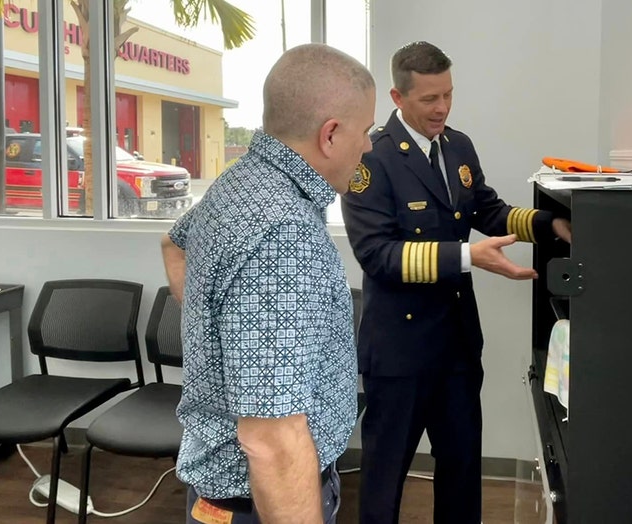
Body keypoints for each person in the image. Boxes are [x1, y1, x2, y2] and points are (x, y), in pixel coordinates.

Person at [341, 41, 572, 524]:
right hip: (400, 350)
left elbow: (487, 209)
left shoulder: (458, 145)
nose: (442, 107)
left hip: (457, 345)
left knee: (463, 472)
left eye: (448, 94)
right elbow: (378, 256)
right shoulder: (371, 159)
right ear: (398, 98)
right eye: (429, 99)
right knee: (385, 479)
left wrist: (549, 223)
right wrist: (470, 256)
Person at [160, 43, 375, 524]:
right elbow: (272, 439)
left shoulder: (241, 184)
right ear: (331, 134)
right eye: (366, 131)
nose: (369, 146)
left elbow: (173, 244)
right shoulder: (282, 234)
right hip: (262, 502)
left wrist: (211, 327)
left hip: (230, 494)